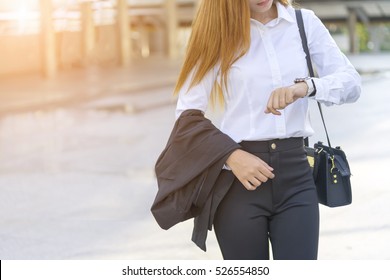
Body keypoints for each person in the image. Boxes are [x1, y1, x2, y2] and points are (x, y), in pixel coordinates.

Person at [172, 0, 361, 260]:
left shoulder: (303, 23)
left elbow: (351, 83)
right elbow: (187, 115)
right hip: (239, 181)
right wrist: (232, 156)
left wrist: (305, 87)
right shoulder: (218, 32)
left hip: (297, 177)